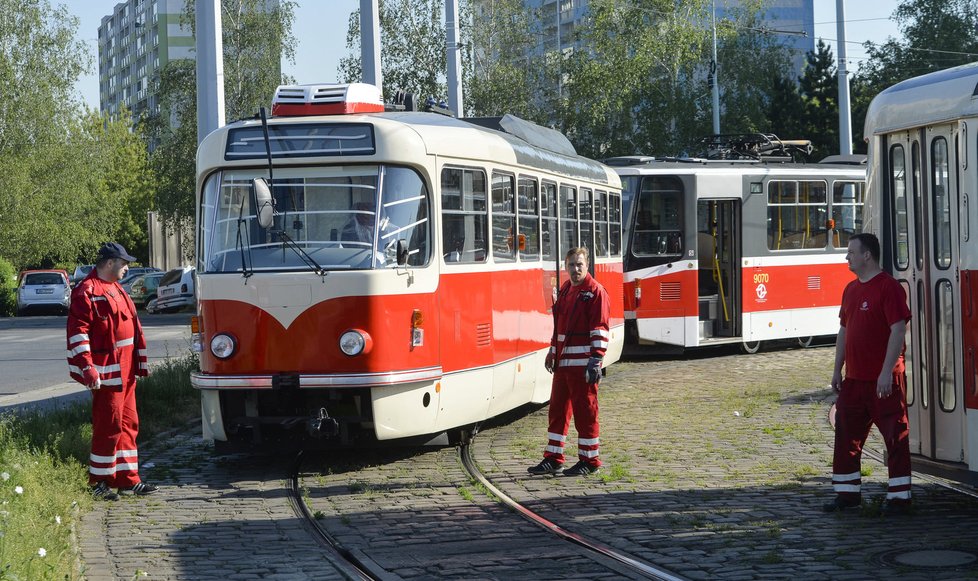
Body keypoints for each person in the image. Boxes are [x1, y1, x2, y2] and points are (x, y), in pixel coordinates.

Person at [824, 233, 912, 515]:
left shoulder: (889, 288)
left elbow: (898, 329)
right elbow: (844, 331)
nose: (846, 257)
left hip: (884, 380)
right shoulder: (850, 290)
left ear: (867, 256)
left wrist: (887, 371)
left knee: (895, 437)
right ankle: (847, 496)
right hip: (855, 380)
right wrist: (838, 368)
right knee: (846, 435)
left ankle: (900, 499)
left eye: (851, 252)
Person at [67, 242, 157, 501]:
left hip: (126, 370)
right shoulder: (86, 291)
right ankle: (99, 481)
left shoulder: (118, 289)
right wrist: (87, 368)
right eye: (123, 262)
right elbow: (78, 332)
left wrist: (139, 362)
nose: (127, 267)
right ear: (109, 263)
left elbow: (133, 327)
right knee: (109, 425)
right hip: (107, 372)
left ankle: (128, 479)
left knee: (128, 423)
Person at [528, 247, 610, 477]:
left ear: (587, 265)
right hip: (564, 366)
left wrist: (596, 360)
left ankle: (590, 459)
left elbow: (600, 329)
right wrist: (552, 352)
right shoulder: (565, 290)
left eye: (580, 264)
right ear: (566, 267)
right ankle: (554, 458)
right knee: (557, 411)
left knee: (586, 413)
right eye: (572, 265)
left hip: (583, 366)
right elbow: (559, 329)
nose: (576, 269)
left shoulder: (595, 292)